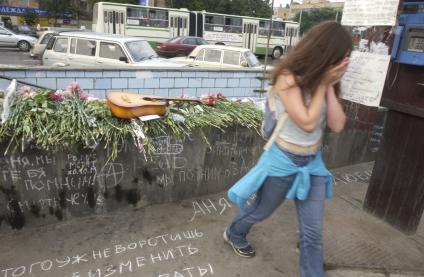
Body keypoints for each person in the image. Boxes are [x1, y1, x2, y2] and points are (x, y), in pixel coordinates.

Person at [223, 21, 352, 277]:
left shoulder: (328, 82)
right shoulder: (288, 77)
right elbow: (306, 122)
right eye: (342, 56)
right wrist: (323, 84)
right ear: (326, 52)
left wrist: (328, 85)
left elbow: (337, 125)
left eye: (348, 57)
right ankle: (234, 233)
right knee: (261, 210)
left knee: (313, 232)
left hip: (313, 164)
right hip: (282, 160)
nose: (346, 62)